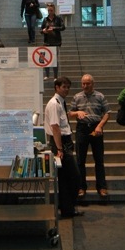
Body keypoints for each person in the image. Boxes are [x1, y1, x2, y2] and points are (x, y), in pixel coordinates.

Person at [44, 76, 83, 219]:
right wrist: (59, 149)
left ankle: (68, 209)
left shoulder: (61, 102)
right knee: (74, 177)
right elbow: (55, 127)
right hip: (60, 143)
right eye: (64, 87)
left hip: (65, 142)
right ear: (57, 87)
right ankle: (67, 207)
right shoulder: (54, 104)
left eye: (68, 87)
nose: (66, 90)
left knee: (66, 178)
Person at [69, 74, 110, 198]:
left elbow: (107, 113)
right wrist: (77, 112)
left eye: (88, 83)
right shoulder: (77, 97)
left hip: (95, 128)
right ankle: (81, 187)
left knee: (99, 159)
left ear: (93, 84)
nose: (85, 86)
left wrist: (100, 126)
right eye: (83, 83)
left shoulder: (100, 96)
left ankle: (101, 187)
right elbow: (70, 113)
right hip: (82, 129)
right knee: (80, 160)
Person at [41, 2, 65, 80]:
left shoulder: (58, 18)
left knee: (54, 59)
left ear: (54, 10)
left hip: (56, 42)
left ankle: (55, 76)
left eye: (51, 10)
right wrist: (43, 31)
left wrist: (54, 28)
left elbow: (63, 27)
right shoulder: (45, 19)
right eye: (49, 10)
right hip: (47, 42)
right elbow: (41, 30)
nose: (50, 12)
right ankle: (47, 75)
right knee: (46, 58)